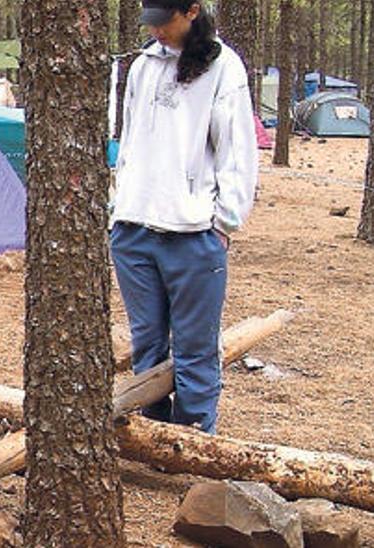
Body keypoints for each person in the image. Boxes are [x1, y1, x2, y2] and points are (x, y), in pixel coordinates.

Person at [112, 0, 258, 434]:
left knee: (195, 350)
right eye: (150, 22)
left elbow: (237, 149)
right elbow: (132, 136)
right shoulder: (142, 66)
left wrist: (223, 223)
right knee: (148, 346)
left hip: (192, 233)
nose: (156, 31)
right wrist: (121, 204)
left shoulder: (224, 68)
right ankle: (153, 435)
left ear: (192, 11)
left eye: (165, 21)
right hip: (133, 229)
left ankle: (194, 441)